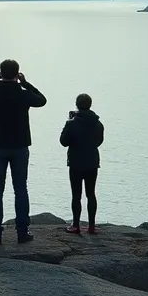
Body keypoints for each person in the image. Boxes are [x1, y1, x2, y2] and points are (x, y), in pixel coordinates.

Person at [0, 59, 47, 244]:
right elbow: (42, 100)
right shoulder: (23, 94)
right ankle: (22, 232)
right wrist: (26, 83)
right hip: (20, 147)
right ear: (17, 74)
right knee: (21, 189)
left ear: (0, 73)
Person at [60, 93, 105, 235]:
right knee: (91, 193)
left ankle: (76, 224)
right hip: (92, 161)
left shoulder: (72, 123)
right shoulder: (98, 124)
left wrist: (69, 120)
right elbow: (99, 142)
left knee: (76, 194)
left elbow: (63, 141)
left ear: (77, 105)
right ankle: (91, 225)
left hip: (75, 162)